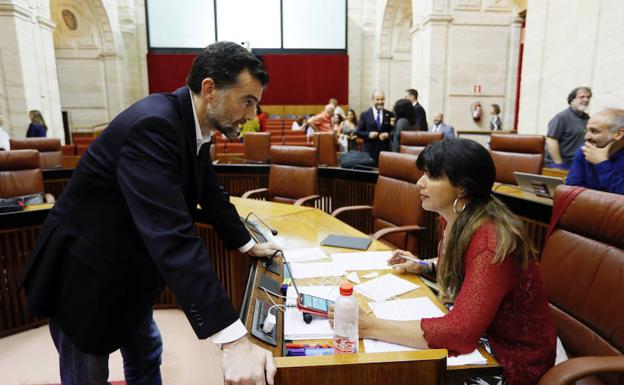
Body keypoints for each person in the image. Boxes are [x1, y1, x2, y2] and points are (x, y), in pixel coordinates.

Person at [21, 41, 279, 385]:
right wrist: (231, 339)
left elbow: (210, 193)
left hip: (133, 271)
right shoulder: (154, 126)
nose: (251, 114)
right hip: (87, 275)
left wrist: (247, 244)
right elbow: (173, 235)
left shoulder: (192, 125)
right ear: (210, 88)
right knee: (87, 373)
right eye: (247, 101)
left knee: (146, 354)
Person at [342, 139, 556, 385]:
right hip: (482, 334)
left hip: (510, 357)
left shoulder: (492, 241)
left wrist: (369, 326)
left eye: (431, 176)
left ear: (462, 188)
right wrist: (424, 265)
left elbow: (460, 334)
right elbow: (462, 266)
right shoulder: (455, 217)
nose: (420, 182)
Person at [567, 108, 624, 194]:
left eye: (594, 131)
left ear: (618, 134)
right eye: (587, 130)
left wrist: (602, 163)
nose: (586, 137)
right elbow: (572, 189)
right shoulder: (584, 151)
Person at [545, 87, 592, 169]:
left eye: (588, 97)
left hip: (577, 163)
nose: (586, 100)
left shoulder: (587, 118)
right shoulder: (561, 117)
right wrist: (559, 164)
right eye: (582, 97)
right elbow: (551, 141)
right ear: (572, 100)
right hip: (560, 163)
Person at [355, 90, 393, 164]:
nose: (380, 102)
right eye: (377, 99)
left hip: (385, 150)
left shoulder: (390, 114)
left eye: (382, 99)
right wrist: (368, 134)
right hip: (370, 150)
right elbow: (358, 132)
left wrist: (388, 135)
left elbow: (394, 131)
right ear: (373, 100)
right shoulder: (365, 114)